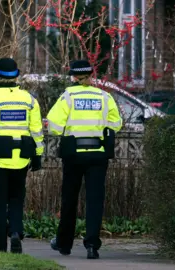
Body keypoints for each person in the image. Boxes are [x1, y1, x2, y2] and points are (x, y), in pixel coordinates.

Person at [46, 60, 122, 259]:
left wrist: (67, 132)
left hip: (73, 154)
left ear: (73, 76)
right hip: (98, 154)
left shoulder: (68, 96)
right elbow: (116, 123)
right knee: (95, 200)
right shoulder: (104, 97)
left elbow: (53, 125)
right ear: (91, 75)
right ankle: (92, 246)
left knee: (69, 199)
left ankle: (64, 244)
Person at [0, 58, 44, 253]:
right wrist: (37, 156)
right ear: (16, 75)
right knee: (16, 199)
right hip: (21, 159)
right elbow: (36, 131)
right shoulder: (29, 100)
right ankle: (15, 232)